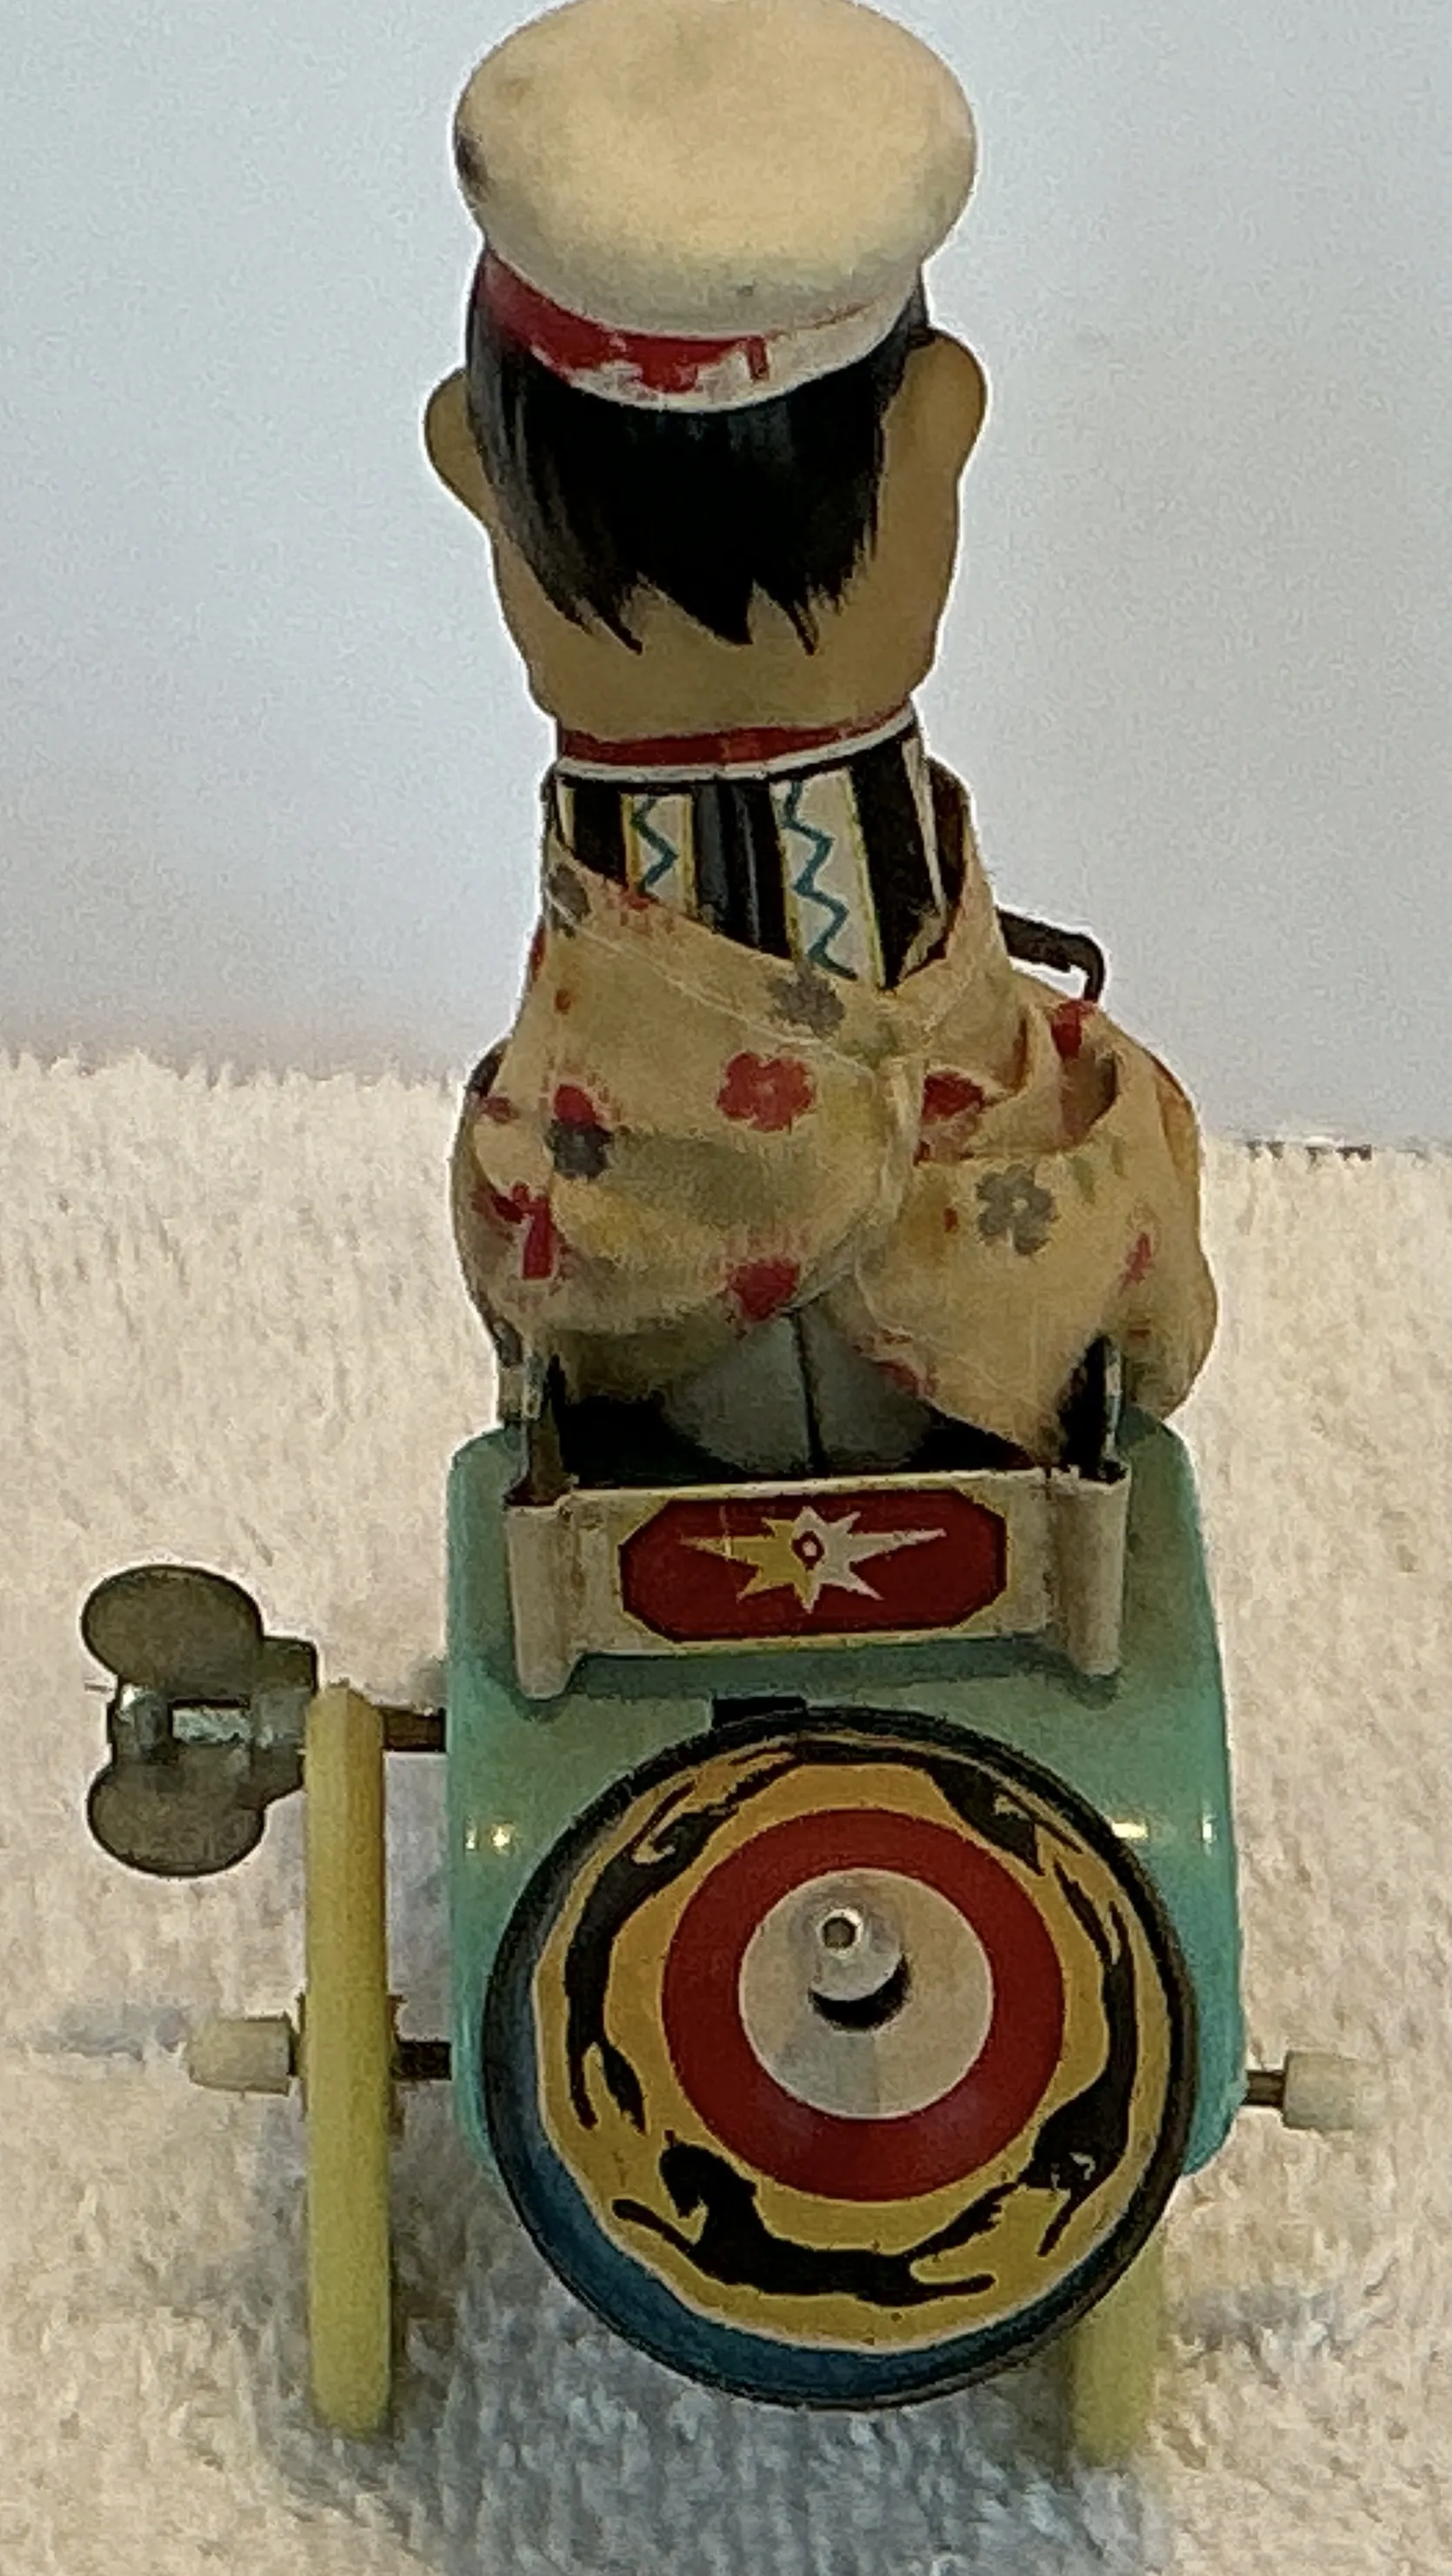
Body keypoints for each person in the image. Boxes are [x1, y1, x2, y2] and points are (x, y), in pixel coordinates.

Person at [427, 0, 1216, 1475]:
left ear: (471, 461)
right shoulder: (1041, 1145)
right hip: (987, 1363)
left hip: (624, 1268)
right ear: (935, 433)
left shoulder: (563, 1182)